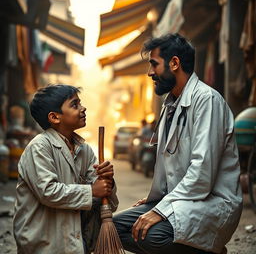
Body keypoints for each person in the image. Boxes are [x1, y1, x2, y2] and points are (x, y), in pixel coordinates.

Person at [113, 33, 243, 254]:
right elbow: (171, 167)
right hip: (181, 202)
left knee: (151, 236)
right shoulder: (170, 105)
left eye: (154, 64)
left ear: (174, 63)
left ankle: (207, 250)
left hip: (211, 203)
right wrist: (156, 201)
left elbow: (202, 175)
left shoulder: (207, 101)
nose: (150, 72)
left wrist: (160, 210)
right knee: (113, 228)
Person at [13, 84, 118, 254]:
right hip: (45, 245)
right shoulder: (39, 147)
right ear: (55, 117)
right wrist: (92, 191)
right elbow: (48, 192)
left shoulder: (84, 150)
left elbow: (104, 199)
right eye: (75, 104)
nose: (83, 108)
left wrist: (107, 182)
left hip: (76, 242)